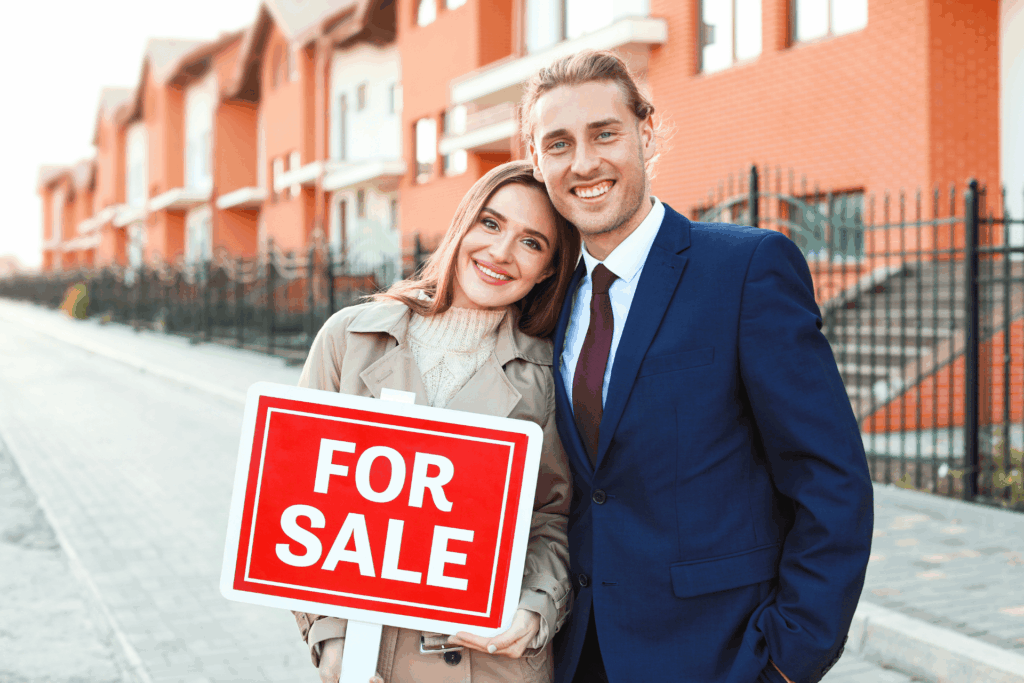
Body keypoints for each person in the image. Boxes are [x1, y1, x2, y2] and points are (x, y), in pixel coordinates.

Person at [521, 50, 874, 683]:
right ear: (538, 159)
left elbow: (830, 480)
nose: (584, 162)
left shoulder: (745, 270)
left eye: (604, 133)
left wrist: (790, 659)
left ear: (645, 132)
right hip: (578, 656)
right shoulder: (545, 300)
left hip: (720, 654)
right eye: (558, 143)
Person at [292, 160, 581, 683]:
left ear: (548, 271)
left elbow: (550, 518)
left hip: (490, 660)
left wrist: (535, 608)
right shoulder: (348, 339)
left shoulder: (550, 376)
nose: (500, 252)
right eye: (490, 224)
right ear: (462, 224)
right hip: (371, 655)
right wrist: (331, 640)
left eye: (531, 242)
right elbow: (299, 499)